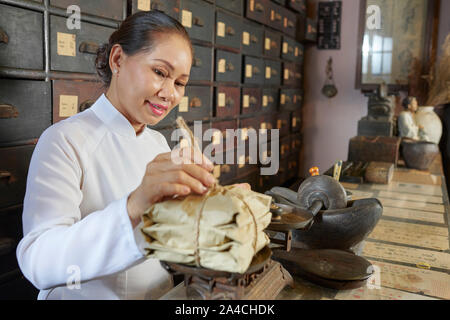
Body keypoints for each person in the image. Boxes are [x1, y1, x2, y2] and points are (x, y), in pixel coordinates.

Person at [16, 11, 246, 300]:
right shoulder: (64, 141)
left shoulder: (159, 144)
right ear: (117, 60)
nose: (169, 94)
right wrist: (132, 207)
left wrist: (211, 212)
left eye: (179, 83)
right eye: (160, 72)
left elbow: (165, 243)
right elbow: (37, 260)